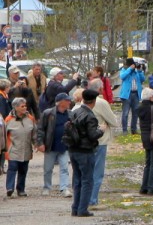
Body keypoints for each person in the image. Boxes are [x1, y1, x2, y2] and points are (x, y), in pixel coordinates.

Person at [67, 89, 104, 217]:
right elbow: (92, 135)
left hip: (73, 149)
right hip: (85, 151)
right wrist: (101, 130)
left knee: (77, 179)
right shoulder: (90, 116)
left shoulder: (75, 112)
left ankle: (75, 207)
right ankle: (83, 209)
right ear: (93, 101)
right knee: (87, 180)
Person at [84, 79, 119, 211]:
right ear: (99, 89)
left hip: (86, 141)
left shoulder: (82, 101)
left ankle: (84, 198)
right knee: (97, 172)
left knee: (86, 171)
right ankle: (93, 200)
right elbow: (114, 121)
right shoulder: (101, 102)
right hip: (100, 140)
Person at [37, 92, 73, 196]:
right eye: (67, 100)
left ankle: (64, 188)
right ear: (61, 102)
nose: (69, 102)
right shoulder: (48, 113)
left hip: (64, 146)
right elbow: (41, 129)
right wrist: (40, 143)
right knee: (48, 169)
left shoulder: (70, 114)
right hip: (50, 145)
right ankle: (47, 187)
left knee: (65, 168)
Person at [5, 97, 36, 197]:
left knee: (23, 170)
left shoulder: (30, 118)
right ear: (16, 107)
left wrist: (36, 143)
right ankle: (10, 188)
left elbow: (34, 133)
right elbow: (3, 135)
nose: (25, 108)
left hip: (26, 149)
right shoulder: (9, 119)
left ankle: (21, 190)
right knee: (12, 168)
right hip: (13, 149)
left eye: (25, 105)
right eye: (22, 106)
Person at [117, 58, 146, 134]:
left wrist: (140, 71)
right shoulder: (124, 70)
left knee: (135, 113)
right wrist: (130, 69)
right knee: (125, 113)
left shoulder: (136, 72)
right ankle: (124, 130)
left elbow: (143, 79)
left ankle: (134, 129)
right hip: (127, 95)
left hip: (136, 94)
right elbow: (122, 76)